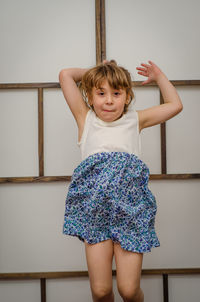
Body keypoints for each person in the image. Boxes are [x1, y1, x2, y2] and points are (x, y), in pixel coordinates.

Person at [59, 60, 183, 302]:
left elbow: (175, 105)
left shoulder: (135, 120)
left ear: (127, 97)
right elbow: (65, 75)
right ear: (90, 95)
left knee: (128, 290)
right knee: (101, 291)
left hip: (131, 210)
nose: (108, 100)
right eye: (101, 92)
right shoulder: (85, 119)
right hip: (95, 211)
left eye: (116, 93)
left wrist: (159, 76)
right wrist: (99, 73)